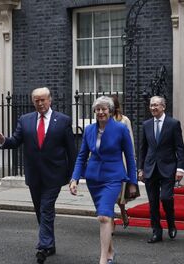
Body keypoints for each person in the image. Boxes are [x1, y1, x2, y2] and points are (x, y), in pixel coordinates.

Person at [0, 87, 76, 264]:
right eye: (37, 100)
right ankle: (50, 244)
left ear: (50, 100)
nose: (40, 103)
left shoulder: (63, 120)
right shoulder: (25, 120)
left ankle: (43, 246)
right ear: (33, 102)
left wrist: (74, 176)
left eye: (43, 99)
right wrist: (4, 140)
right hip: (34, 174)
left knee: (45, 208)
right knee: (40, 210)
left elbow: (71, 150)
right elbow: (15, 141)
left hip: (55, 174)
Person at [69, 96, 137, 264]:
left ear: (111, 110)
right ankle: (111, 251)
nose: (100, 112)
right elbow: (82, 156)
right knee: (104, 215)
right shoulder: (89, 130)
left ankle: (102, 258)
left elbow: (130, 157)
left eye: (104, 109)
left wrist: (132, 182)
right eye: (98, 109)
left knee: (104, 218)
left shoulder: (121, 129)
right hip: (93, 179)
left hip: (113, 178)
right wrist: (74, 178)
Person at [138, 96, 184, 244]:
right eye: (151, 105)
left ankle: (171, 223)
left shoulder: (173, 124)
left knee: (166, 198)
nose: (153, 108)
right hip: (150, 168)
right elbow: (143, 148)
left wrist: (180, 169)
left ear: (163, 107)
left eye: (156, 105)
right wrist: (140, 168)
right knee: (152, 202)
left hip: (168, 168)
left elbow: (180, 148)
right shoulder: (146, 125)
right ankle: (156, 232)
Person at [110, 95, 135, 228]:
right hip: (106, 162)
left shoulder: (124, 120)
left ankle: (123, 211)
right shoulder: (102, 120)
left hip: (121, 160)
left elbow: (130, 143)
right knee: (109, 193)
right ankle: (110, 220)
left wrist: (133, 161)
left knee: (120, 193)